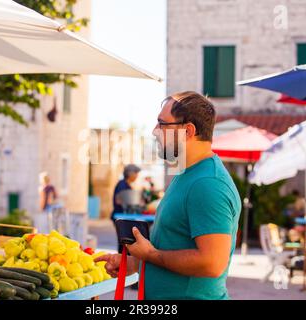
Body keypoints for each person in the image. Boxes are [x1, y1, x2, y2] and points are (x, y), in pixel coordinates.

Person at [96, 91, 242, 300]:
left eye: (162, 124)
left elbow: (212, 263)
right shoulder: (187, 174)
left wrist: (150, 255)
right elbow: (176, 247)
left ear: (188, 131)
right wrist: (134, 263)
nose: (155, 131)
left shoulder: (207, 184)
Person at [111, 164, 141, 253]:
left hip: (124, 217)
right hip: (121, 217)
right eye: (136, 173)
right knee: (124, 243)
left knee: (125, 243)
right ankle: (121, 263)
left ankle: (123, 262)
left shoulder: (126, 184)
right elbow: (119, 200)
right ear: (130, 173)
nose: (137, 176)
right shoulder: (122, 185)